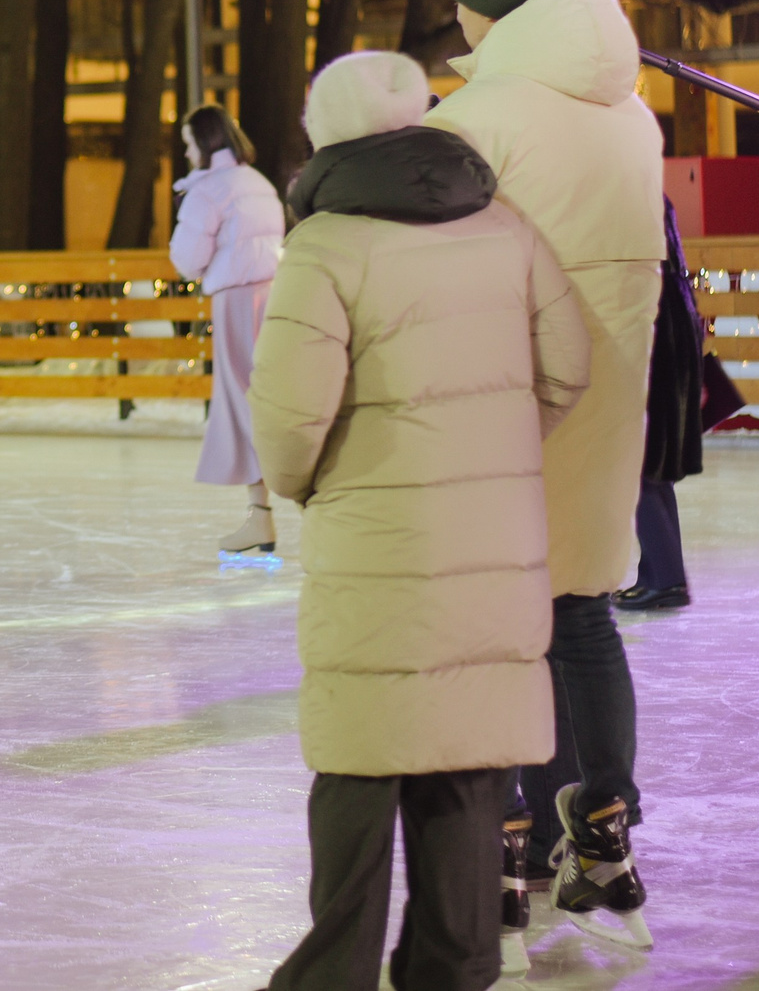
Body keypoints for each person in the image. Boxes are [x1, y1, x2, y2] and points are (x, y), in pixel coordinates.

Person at [251, 52, 590, 991]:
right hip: (493, 545)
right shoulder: (505, 225)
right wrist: (492, 453)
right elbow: (567, 365)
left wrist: (318, 484)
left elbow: (287, 422)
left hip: (377, 546)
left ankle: (335, 973)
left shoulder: (325, 246)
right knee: (466, 760)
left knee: (361, 764)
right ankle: (458, 961)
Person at [419, 0, 665, 944]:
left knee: (494, 634)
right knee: (580, 613)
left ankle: (505, 844)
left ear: (481, 5)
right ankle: (603, 835)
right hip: (610, 403)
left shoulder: (479, 118)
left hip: (507, 407)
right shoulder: (630, 107)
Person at [168, 102, 287, 556]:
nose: (186, 153)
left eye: (188, 143)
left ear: (205, 141)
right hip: (274, 293)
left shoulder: (211, 189)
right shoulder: (257, 182)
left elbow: (186, 258)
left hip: (236, 297)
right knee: (264, 395)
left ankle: (265, 511)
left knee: (243, 399)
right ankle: (262, 515)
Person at [617, 201, 744, 615]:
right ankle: (658, 574)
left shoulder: (636, 221)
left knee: (641, 467)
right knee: (654, 471)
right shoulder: (655, 211)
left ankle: (666, 578)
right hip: (671, 347)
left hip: (654, 353)